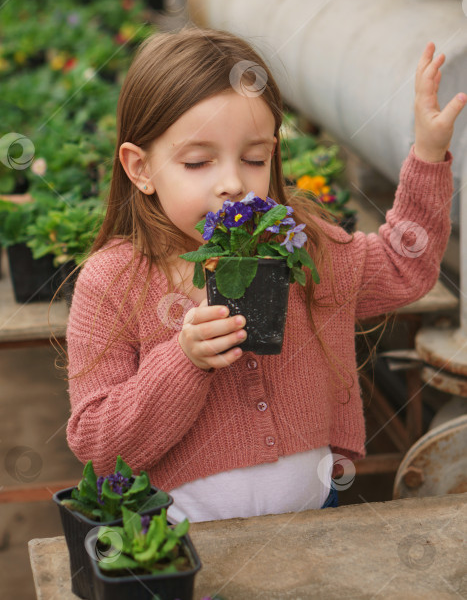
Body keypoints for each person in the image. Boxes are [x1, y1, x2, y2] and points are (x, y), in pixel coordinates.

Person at [63, 28, 464, 522]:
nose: (232, 182)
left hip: (315, 523)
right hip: (184, 545)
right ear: (140, 167)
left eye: (253, 158)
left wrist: (426, 154)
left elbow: (407, 267)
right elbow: (97, 446)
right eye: (197, 162)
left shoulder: (302, 244)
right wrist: (185, 361)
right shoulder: (113, 280)